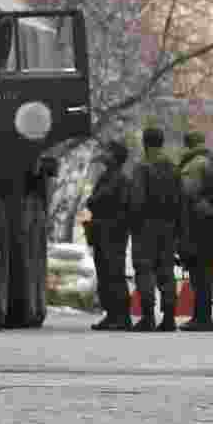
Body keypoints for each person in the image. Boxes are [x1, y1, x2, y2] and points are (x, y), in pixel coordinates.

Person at [128, 127, 183, 332]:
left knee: (145, 270)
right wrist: (178, 229)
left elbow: (136, 200)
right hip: (169, 227)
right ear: (162, 142)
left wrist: (133, 224)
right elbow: (180, 201)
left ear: (145, 143)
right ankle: (169, 318)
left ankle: (148, 318)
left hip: (145, 227)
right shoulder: (173, 167)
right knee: (166, 272)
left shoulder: (142, 168)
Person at [177, 130, 213, 332]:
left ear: (187, 144)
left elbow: (186, 193)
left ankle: (201, 318)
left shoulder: (195, 164)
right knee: (206, 272)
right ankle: (204, 316)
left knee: (199, 274)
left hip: (198, 225)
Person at [85, 140, 134, 331]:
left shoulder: (119, 179)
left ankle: (121, 317)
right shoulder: (107, 176)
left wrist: (94, 200)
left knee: (114, 275)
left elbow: (98, 199)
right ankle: (112, 315)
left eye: (108, 152)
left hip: (113, 234)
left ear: (115, 157)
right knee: (105, 275)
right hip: (103, 232)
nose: (103, 154)